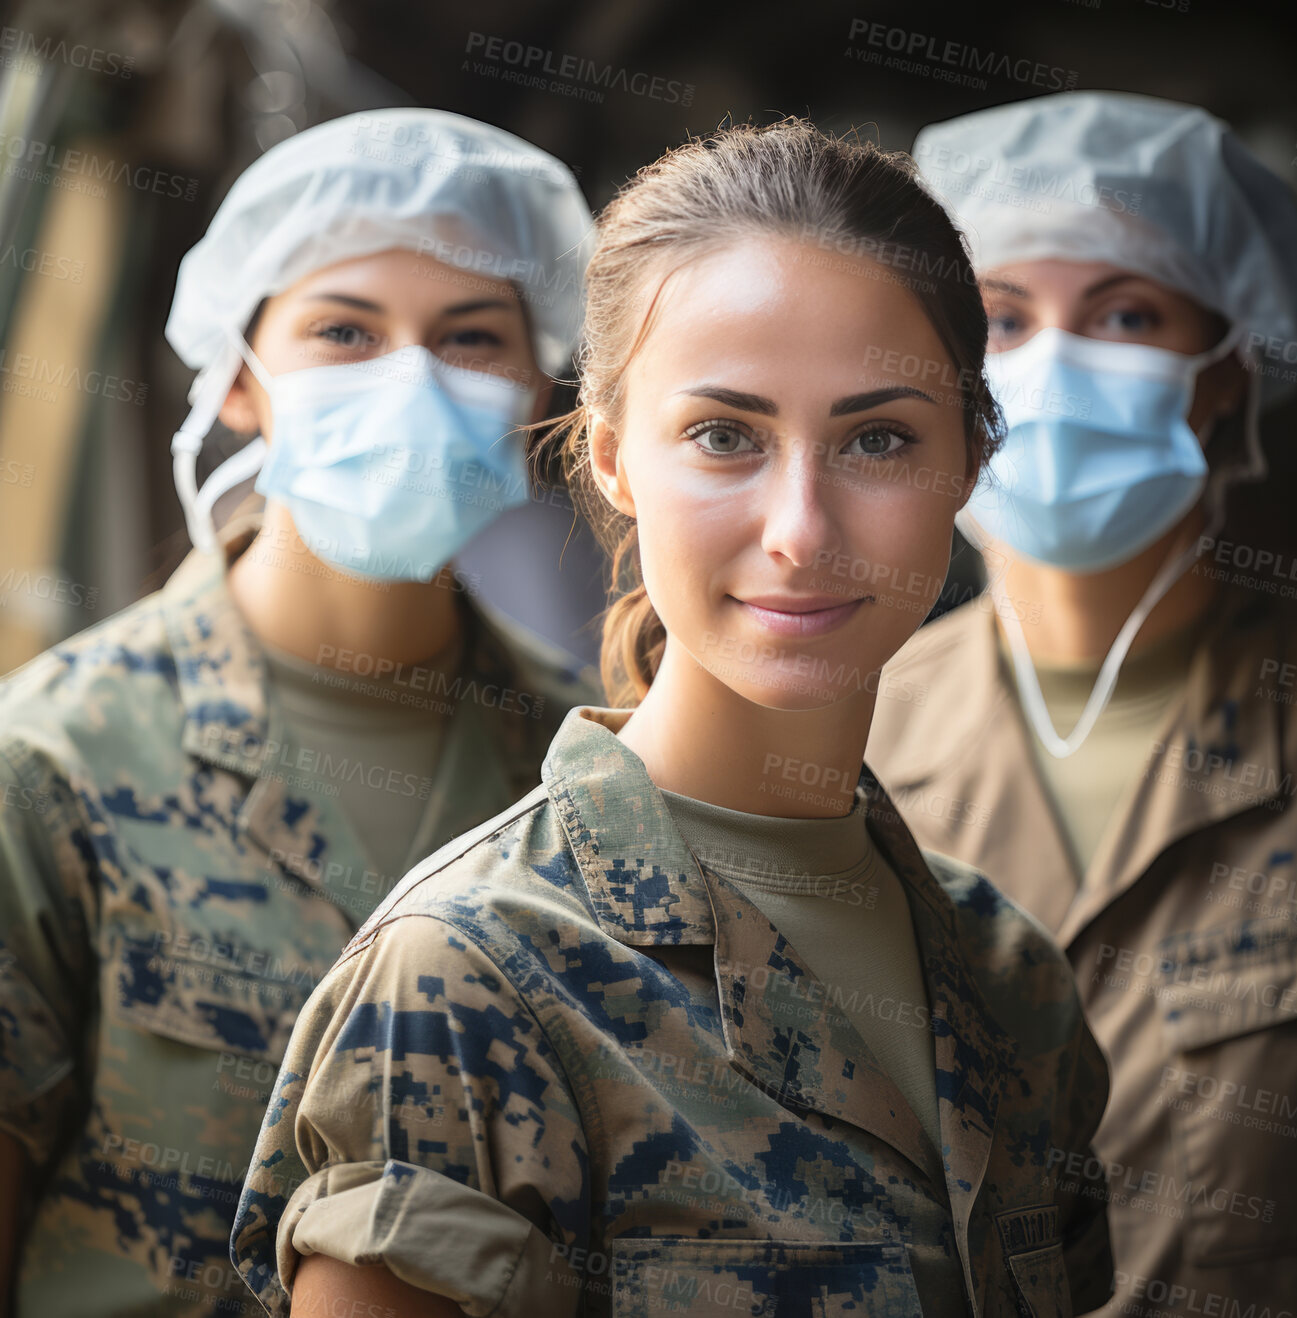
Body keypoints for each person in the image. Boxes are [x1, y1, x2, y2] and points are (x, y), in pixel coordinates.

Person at [229, 118, 1115, 1318]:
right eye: (722, 435)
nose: (800, 527)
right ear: (610, 459)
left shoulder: (1011, 983)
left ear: (970, 460)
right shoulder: (469, 979)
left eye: (878, 438)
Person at [0, 108, 599, 1317]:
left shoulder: (590, 768)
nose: (411, 380)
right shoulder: (52, 759)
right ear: (235, 378)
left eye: (471, 336)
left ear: (538, 386)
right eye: (344, 330)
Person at [866, 91, 1297, 1318]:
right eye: (999, 317)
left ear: (1225, 375)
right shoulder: (842, 738)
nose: (1052, 363)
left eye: (1125, 314)